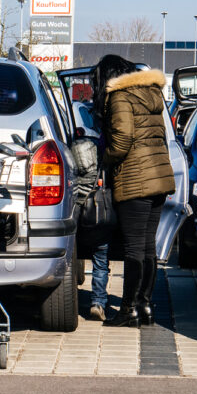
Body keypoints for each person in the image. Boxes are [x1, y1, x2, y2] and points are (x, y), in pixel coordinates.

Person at [91, 54, 175, 327]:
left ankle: (128, 309)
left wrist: (106, 159)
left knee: (133, 248)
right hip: (159, 177)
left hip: (135, 179)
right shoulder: (151, 93)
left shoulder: (120, 96)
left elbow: (123, 139)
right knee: (148, 246)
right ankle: (145, 305)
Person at [71, 133, 111, 321]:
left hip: (74, 216)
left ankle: (70, 300)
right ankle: (98, 303)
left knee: (68, 258)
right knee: (101, 260)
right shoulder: (100, 157)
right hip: (96, 215)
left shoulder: (69, 154)